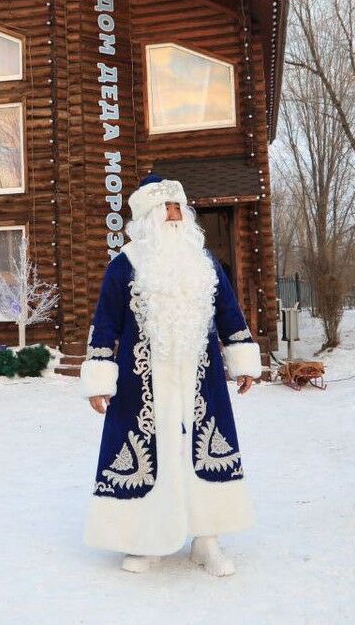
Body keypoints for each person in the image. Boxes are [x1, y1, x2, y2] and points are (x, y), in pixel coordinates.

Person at [80, 173, 261, 576]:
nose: (177, 215)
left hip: (202, 380)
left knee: (204, 452)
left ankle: (207, 541)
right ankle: (147, 539)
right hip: (139, 385)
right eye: (168, 208)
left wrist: (243, 361)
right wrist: (99, 379)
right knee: (149, 455)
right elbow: (105, 324)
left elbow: (229, 313)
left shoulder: (205, 262)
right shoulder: (124, 266)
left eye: (180, 207)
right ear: (147, 217)